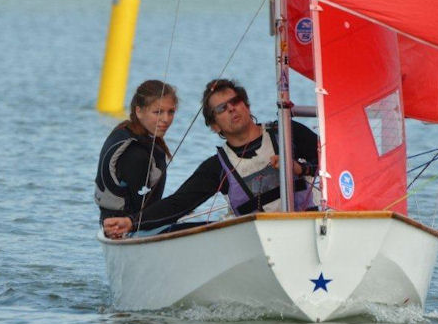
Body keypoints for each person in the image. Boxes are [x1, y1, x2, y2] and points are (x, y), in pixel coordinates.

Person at [103, 78, 319, 239]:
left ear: (247, 106)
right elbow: (178, 204)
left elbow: (336, 163)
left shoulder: (287, 133)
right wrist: (131, 222)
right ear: (215, 126)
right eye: (221, 108)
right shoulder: (217, 167)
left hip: (312, 228)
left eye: (235, 101)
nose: (232, 108)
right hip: (263, 241)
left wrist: (301, 169)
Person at [94, 80, 177, 224]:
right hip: (123, 228)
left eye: (171, 112)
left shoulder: (124, 130)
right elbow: (143, 212)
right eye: (158, 112)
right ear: (139, 111)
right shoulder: (136, 154)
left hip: (115, 222)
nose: (166, 119)